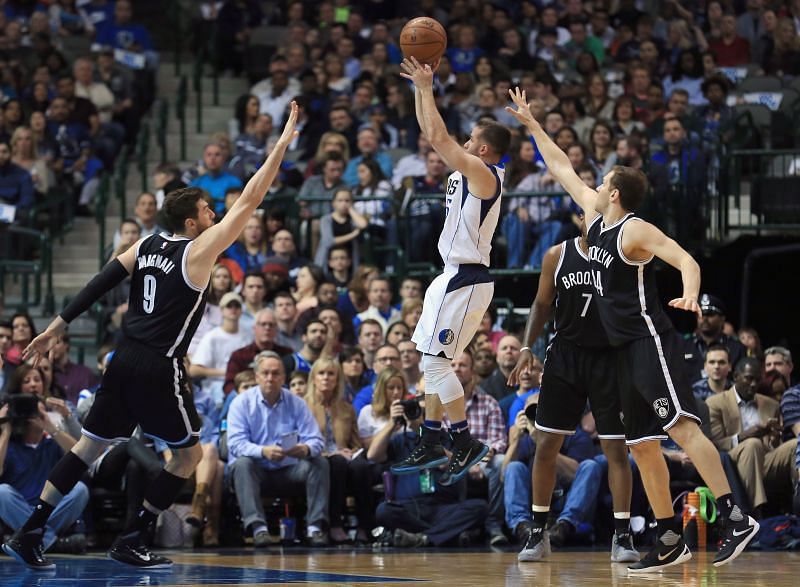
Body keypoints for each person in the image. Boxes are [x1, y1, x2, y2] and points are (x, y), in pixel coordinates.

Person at [2, 102, 301, 570]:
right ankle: (133, 536)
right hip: (158, 364)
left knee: (89, 446)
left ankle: (30, 530)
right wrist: (281, 144)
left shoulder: (146, 244)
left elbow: (100, 282)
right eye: (207, 210)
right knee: (189, 457)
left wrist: (57, 326)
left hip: (121, 358)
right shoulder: (199, 250)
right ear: (191, 223)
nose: (214, 214)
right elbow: (250, 199)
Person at [505, 86, 758, 571]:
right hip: (620, 350)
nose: (592, 186)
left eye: (601, 182)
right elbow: (561, 168)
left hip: (648, 341)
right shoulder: (597, 218)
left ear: (614, 193)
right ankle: (667, 536)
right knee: (642, 445)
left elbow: (684, 256)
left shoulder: (633, 229)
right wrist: (534, 126)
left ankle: (733, 517)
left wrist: (689, 293)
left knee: (681, 427)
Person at [390, 57, 511, 486]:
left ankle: (461, 441)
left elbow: (439, 136)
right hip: (452, 276)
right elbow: (432, 134)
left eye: (471, 137)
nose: (464, 140)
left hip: (467, 276)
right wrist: (420, 89)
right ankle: (431, 437)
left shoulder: (484, 173)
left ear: (482, 148)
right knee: (429, 364)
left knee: (438, 366)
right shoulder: (470, 165)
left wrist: (426, 87)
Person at [507, 229, 639, 563]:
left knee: (615, 450)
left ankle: (622, 536)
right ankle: (538, 533)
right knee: (546, 445)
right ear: (579, 216)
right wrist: (525, 347)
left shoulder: (624, 254)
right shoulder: (557, 255)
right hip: (565, 356)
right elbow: (540, 303)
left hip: (608, 358)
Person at [226, 350, 328, 547]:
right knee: (242, 464)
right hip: (257, 470)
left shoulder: (297, 403)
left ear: (284, 377)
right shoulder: (241, 403)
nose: (270, 378)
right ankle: (258, 529)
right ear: (257, 376)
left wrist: (305, 449)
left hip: (290, 469)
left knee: (319, 462)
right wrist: (263, 451)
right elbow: (235, 444)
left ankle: (315, 528)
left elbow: (316, 439)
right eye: (265, 373)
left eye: (275, 373)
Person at [707, 358, 798, 517]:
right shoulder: (715, 403)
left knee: (795, 444)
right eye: (749, 378)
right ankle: (752, 515)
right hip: (733, 463)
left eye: (757, 379)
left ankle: (797, 502)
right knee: (752, 444)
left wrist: (775, 438)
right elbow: (714, 445)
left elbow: (774, 447)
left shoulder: (771, 405)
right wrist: (745, 435)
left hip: (765, 460)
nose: (754, 384)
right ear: (736, 377)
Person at [684, 294, 746, 384]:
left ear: (722, 318)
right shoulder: (684, 345)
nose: (704, 318)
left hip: (724, 396)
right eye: (701, 314)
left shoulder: (737, 348)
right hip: (688, 397)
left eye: (710, 314)